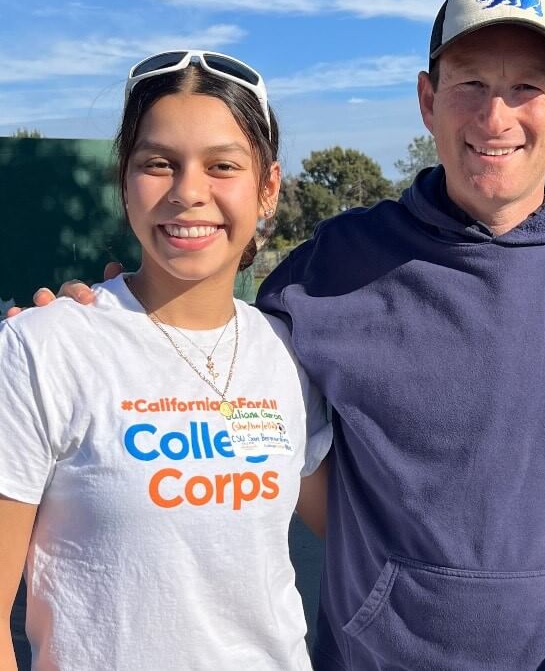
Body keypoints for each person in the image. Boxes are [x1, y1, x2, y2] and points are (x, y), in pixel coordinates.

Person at [22, 0, 545, 669]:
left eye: (526, 88)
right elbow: (210, 328)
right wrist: (109, 314)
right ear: (428, 100)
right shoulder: (336, 262)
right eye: (471, 85)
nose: (496, 117)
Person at [0, 51, 332, 670]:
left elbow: (358, 535)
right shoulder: (41, 349)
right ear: (124, 182)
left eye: (222, 165)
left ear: (267, 188)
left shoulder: (289, 353)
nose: (188, 193)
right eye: (159, 164)